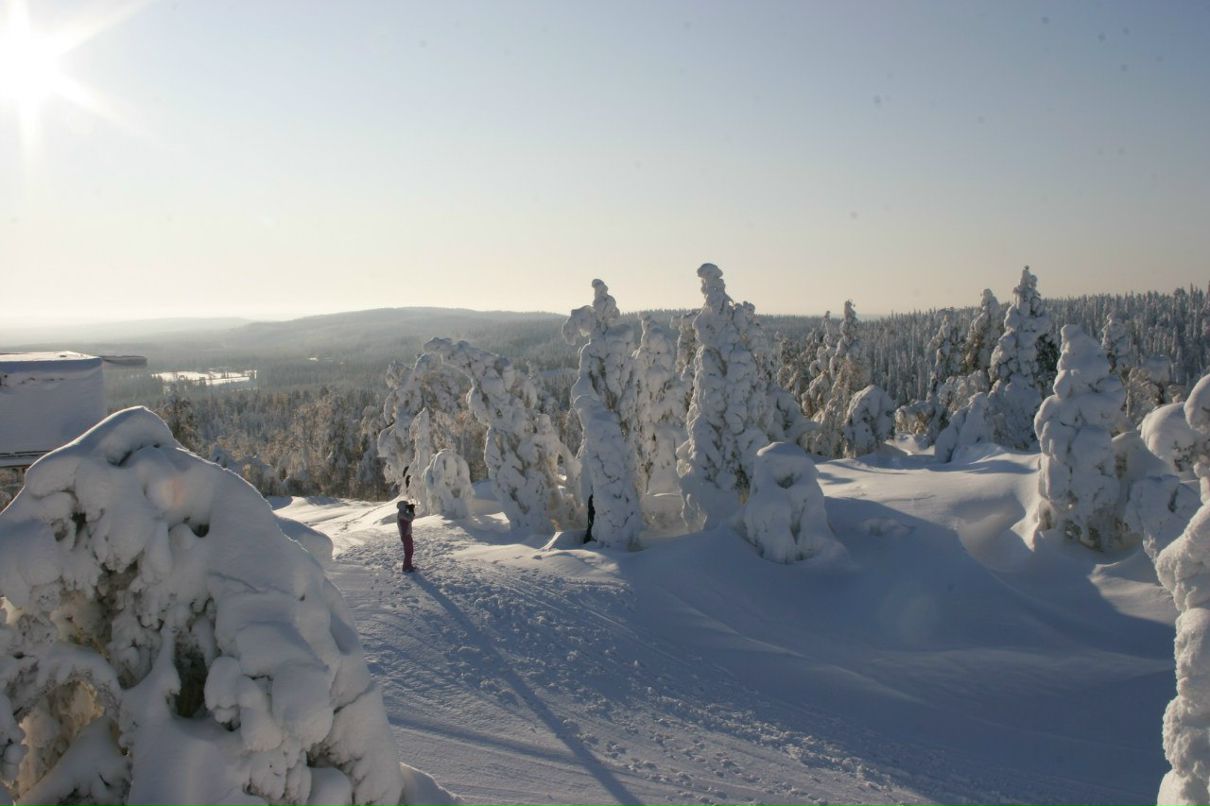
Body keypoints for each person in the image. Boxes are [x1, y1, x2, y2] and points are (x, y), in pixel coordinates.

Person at [397, 501, 416, 572]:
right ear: (402, 506)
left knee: (410, 551)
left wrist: (410, 510)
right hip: (405, 535)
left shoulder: (403, 513)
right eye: (406, 505)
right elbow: (410, 518)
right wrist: (411, 509)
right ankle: (405, 567)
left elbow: (410, 517)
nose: (407, 506)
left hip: (407, 535)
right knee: (408, 551)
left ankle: (409, 565)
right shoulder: (402, 514)